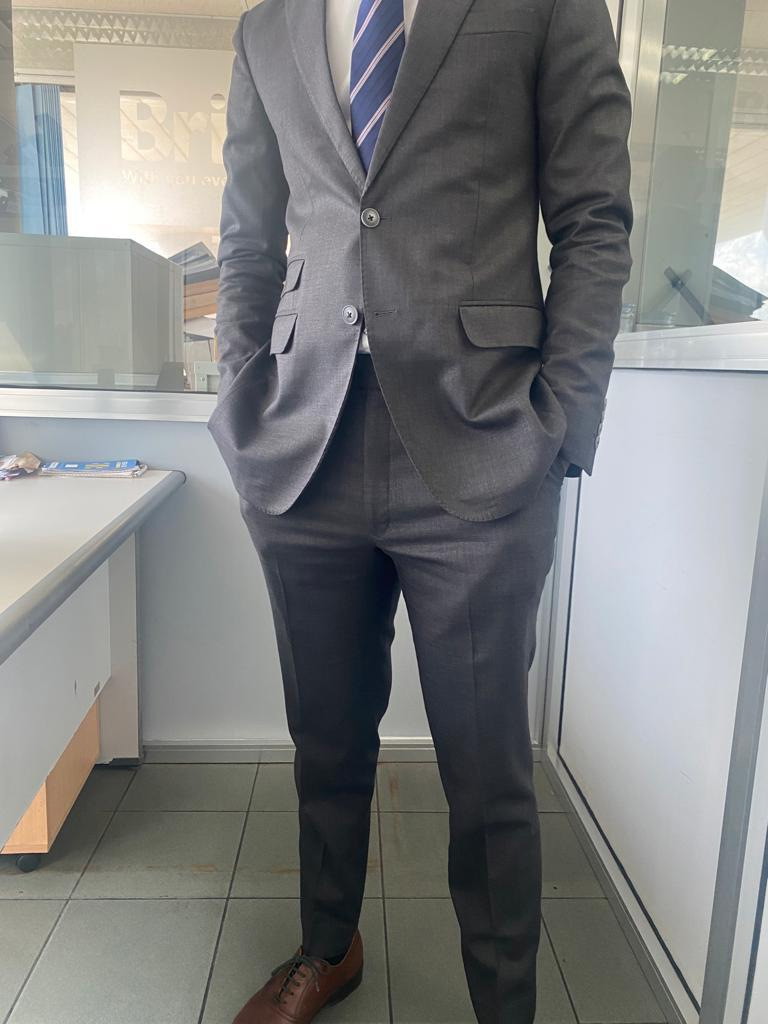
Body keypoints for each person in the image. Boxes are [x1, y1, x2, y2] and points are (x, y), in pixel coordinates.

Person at [207, 0, 633, 1020]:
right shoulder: (268, 30)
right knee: (326, 740)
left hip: (482, 436)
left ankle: (504, 1004)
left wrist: (562, 424)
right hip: (304, 449)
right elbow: (247, 239)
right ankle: (327, 947)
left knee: (488, 771)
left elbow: (593, 220)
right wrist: (239, 395)